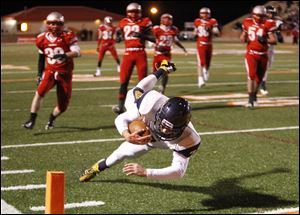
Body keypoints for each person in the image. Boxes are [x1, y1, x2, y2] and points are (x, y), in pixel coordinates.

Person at [79, 60, 201, 182]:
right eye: (163, 125)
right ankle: (162, 70)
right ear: (159, 113)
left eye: (169, 128)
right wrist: (127, 135)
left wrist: (146, 172)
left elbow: (178, 172)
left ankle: (162, 70)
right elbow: (121, 118)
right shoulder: (150, 104)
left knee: (137, 95)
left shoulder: (190, 139)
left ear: (182, 127)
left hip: (162, 141)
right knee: (136, 91)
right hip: (148, 124)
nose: (164, 130)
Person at [22, 12, 81, 130]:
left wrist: (64, 55)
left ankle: (51, 118)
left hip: (65, 74)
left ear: (62, 24)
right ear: (47, 24)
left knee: (63, 106)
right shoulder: (41, 38)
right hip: (50, 71)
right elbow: (41, 58)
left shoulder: (67, 36)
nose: (54, 26)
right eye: (52, 23)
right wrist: (39, 73)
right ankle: (31, 120)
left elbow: (77, 52)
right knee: (39, 93)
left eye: (58, 24)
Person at [112, 2, 155, 115]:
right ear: (127, 12)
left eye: (136, 11)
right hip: (128, 54)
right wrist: (118, 37)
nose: (134, 14)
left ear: (140, 12)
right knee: (123, 81)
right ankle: (120, 106)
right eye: (131, 12)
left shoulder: (145, 21)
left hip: (140, 53)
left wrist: (143, 36)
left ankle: (144, 107)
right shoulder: (123, 22)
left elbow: (154, 38)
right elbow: (118, 34)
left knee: (143, 82)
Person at [240, 5, 277, 108]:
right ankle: (250, 100)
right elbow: (243, 36)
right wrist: (243, 38)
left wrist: (264, 40)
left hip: (263, 55)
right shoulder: (247, 22)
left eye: (263, 16)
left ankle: (254, 96)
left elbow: (274, 41)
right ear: (254, 15)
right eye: (259, 16)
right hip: (251, 53)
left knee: (259, 79)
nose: (261, 18)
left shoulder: (269, 23)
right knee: (251, 76)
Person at [152, 13, 188, 94]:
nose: (167, 20)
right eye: (166, 18)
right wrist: (156, 45)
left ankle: (162, 89)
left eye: (169, 19)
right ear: (162, 19)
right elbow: (151, 39)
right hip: (157, 54)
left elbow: (175, 40)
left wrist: (182, 48)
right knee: (154, 74)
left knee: (166, 70)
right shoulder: (156, 29)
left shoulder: (174, 29)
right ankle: (150, 89)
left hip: (167, 54)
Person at [259, 5, 284, 96]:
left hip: (270, 49)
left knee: (267, 66)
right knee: (261, 67)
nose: (270, 15)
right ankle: (262, 84)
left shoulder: (276, 22)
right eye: (268, 12)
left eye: (271, 13)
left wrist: (278, 32)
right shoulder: (260, 21)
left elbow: (280, 39)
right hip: (260, 48)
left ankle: (262, 82)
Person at [194, 7, 220, 88]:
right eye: (203, 13)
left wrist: (211, 30)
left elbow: (217, 33)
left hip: (209, 44)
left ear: (209, 14)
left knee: (207, 63)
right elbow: (195, 32)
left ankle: (206, 70)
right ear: (200, 14)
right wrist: (195, 34)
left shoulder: (213, 21)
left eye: (206, 13)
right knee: (201, 63)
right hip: (201, 44)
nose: (204, 15)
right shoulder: (197, 21)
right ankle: (200, 79)